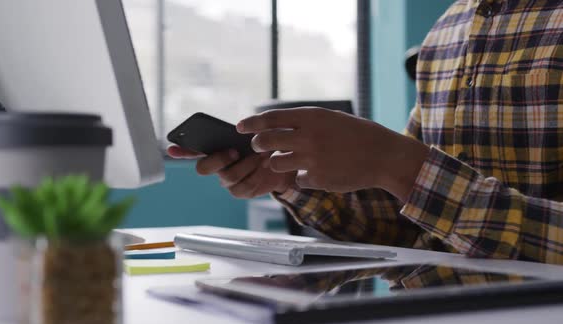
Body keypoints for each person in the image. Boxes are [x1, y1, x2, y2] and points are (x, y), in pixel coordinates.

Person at [169, 0, 563, 265]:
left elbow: (418, 183)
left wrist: (400, 165)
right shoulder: (447, 31)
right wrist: (292, 179)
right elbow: (410, 227)